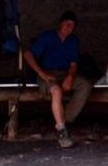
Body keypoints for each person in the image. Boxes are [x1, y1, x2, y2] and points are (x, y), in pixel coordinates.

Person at [24, 10, 92, 148]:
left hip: (64, 73)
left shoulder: (73, 41)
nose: (69, 27)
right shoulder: (48, 37)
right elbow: (27, 54)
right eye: (67, 24)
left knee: (85, 85)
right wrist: (41, 73)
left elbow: (73, 65)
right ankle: (62, 131)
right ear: (60, 24)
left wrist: (70, 77)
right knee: (56, 91)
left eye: (72, 25)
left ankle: (63, 120)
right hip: (47, 74)